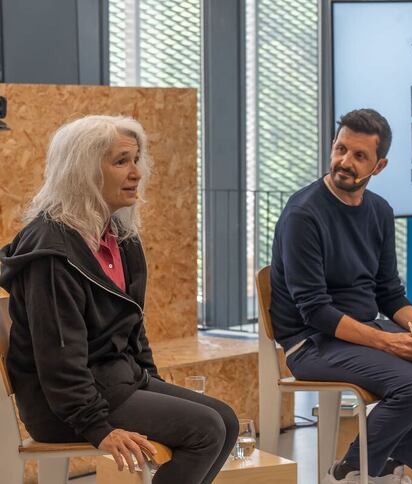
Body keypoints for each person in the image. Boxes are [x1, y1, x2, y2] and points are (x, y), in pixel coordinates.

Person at [0, 115, 238, 484]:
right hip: (63, 405)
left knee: (226, 420)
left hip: (117, 382)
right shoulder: (51, 250)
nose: (137, 172)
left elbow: (132, 325)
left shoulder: (120, 238)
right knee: (205, 429)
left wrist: (153, 381)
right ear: (84, 170)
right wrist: (96, 427)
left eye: (137, 159)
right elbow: (57, 355)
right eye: (121, 161)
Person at [271, 108, 412, 484]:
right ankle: (355, 472)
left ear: (379, 165)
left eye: (359, 155)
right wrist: (389, 343)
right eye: (341, 149)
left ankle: (384, 464)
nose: (345, 162)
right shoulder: (303, 214)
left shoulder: (379, 211)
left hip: (365, 335)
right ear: (331, 147)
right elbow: (315, 311)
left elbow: (389, 293)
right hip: (312, 343)